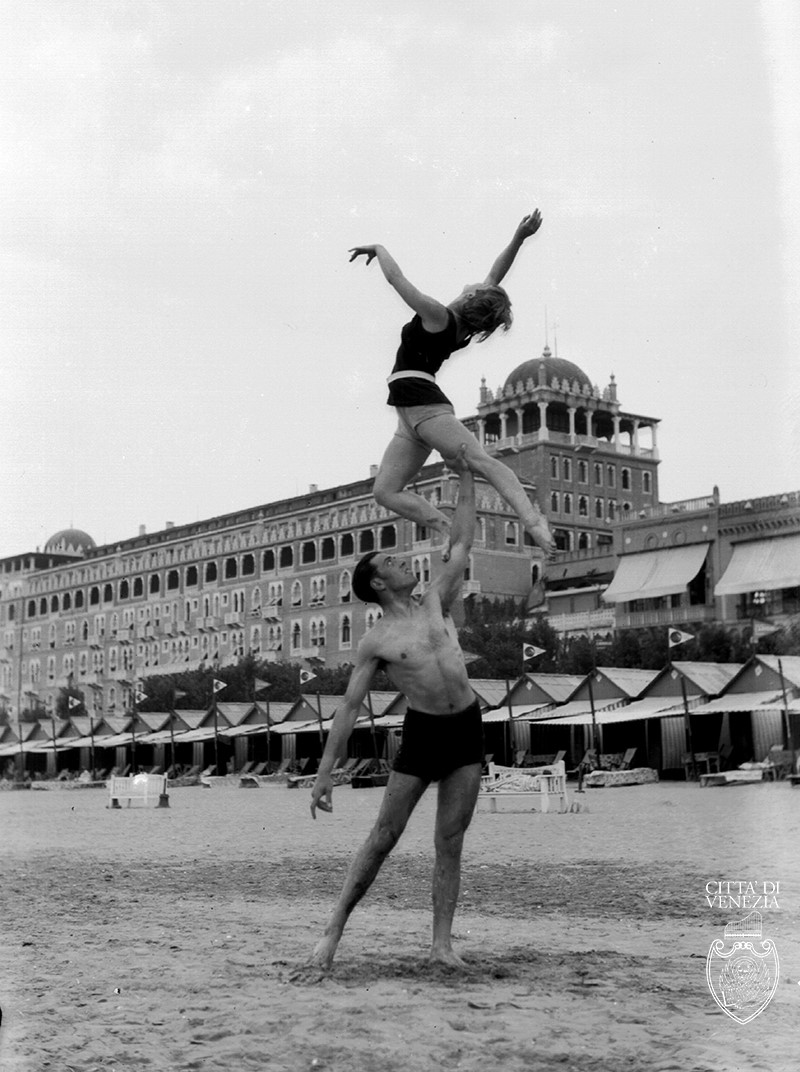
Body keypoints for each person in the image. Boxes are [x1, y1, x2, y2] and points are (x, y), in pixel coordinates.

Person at [307, 447, 484, 973]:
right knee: (384, 838)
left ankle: (441, 946)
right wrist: (324, 774)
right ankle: (332, 932)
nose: (401, 561)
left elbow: (462, 540)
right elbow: (348, 709)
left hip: (467, 729)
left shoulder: (436, 601)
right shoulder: (377, 640)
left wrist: (468, 479)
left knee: (449, 841)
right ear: (378, 584)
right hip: (424, 733)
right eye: (390, 563)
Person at [349, 209, 556, 574]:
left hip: (423, 404)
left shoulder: (437, 315)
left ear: (471, 298)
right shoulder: (458, 325)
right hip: (410, 416)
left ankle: (533, 520)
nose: (472, 283)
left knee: (480, 461)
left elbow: (397, 280)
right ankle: (445, 527)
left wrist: (380, 248)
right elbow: (495, 276)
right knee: (386, 490)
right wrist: (518, 239)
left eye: (474, 287)